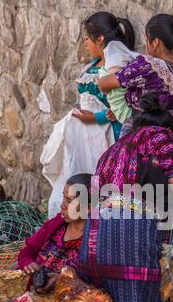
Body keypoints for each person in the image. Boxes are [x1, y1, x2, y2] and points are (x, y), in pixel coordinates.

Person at [77, 93, 173, 302]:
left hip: (93, 244)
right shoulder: (164, 139)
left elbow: (95, 200)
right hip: (127, 247)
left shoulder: (114, 149)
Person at [41, 12, 135, 219]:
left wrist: (95, 118)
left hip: (107, 137)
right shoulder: (91, 65)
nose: (84, 43)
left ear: (100, 39)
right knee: (75, 180)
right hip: (82, 138)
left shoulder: (118, 69)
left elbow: (118, 109)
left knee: (104, 185)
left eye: (87, 38)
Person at [0, 174, 92, 302]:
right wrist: (28, 264)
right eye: (63, 197)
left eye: (69, 201)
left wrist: (62, 281)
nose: (62, 204)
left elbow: (94, 285)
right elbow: (27, 251)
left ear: (88, 207)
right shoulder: (57, 224)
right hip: (38, 299)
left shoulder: (95, 237)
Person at [98, 13, 173, 140]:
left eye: (147, 39)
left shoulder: (148, 66)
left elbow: (104, 83)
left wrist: (116, 102)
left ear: (155, 42)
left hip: (142, 139)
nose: (146, 43)